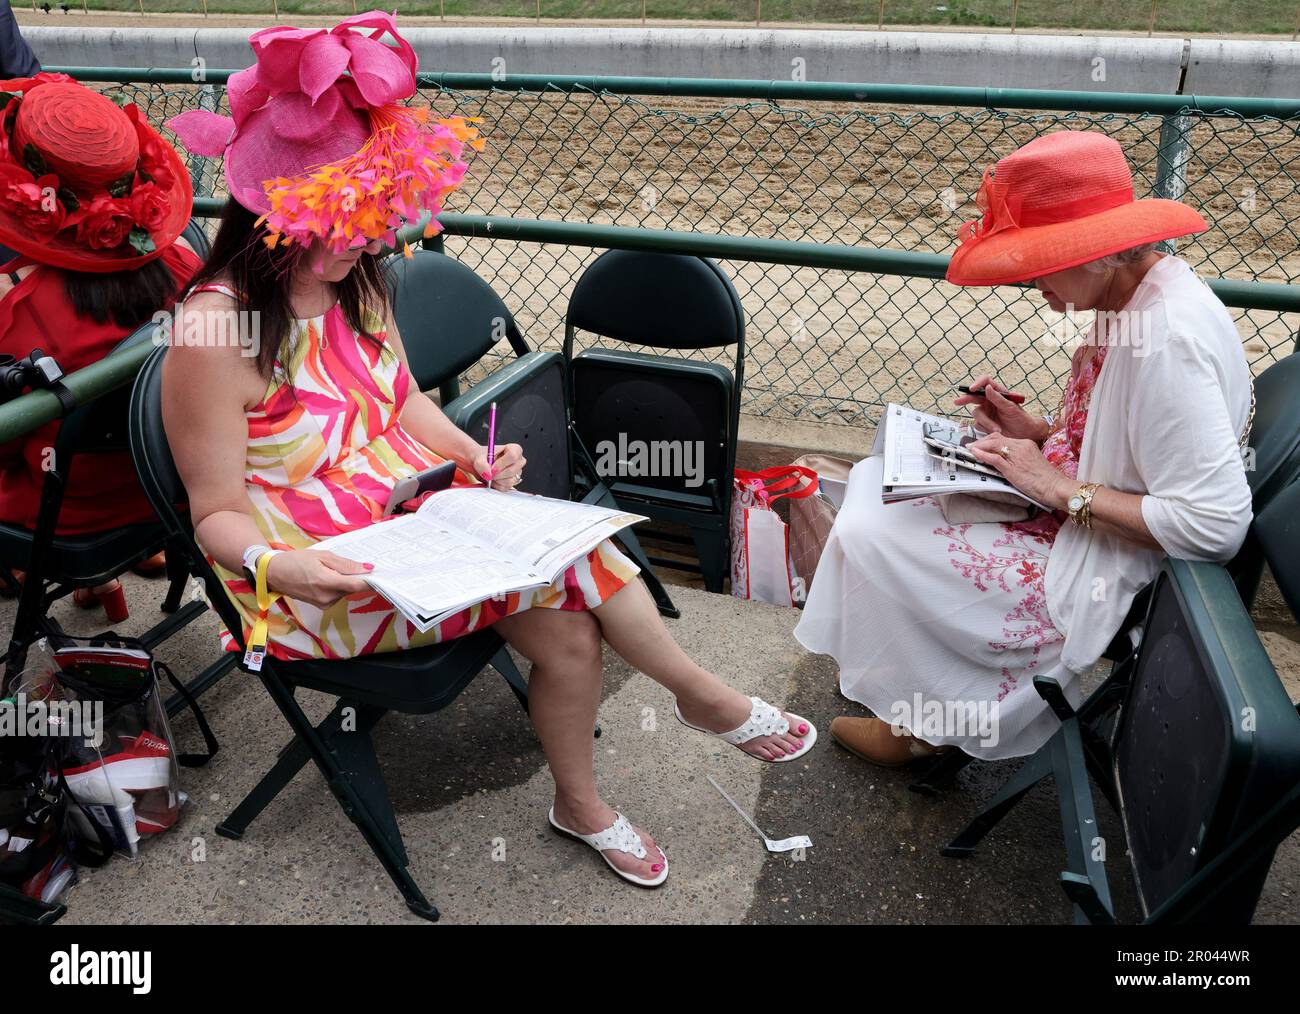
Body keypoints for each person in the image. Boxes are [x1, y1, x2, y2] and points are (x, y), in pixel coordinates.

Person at [166, 12, 816, 889]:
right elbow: (213, 516)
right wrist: (290, 570)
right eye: (353, 216)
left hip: (410, 519)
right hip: (314, 575)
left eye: (379, 214)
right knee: (574, 578)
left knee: (574, 635)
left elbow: (396, 403)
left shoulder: (353, 279)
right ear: (277, 209)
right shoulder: (214, 331)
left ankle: (584, 799)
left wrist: (468, 457)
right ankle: (698, 698)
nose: (375, 236)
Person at [796, 130, 1252, 764]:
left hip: (1111, 568)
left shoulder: (1167, 342)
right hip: (1090, 531)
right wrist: (1034, 433)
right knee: (877, 494)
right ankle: (921, 706)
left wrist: (1054, 485)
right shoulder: (1138, 295)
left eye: (1043, 258)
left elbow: (1214, 524)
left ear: (1101, 252)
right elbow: (1126, 445)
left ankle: (927, 723)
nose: (1032, 281)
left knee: (875, 531)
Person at [0, 72, 199, 621]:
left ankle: (52, 576)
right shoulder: (188, 272)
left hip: (65, 516)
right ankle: (99, 584)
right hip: (177, 490)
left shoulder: (17, 311)